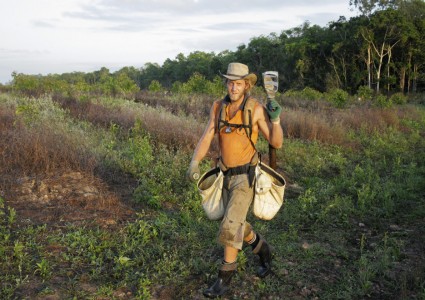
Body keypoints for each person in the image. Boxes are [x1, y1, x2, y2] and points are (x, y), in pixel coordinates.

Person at [187, 62, 283, 298]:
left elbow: (276, 142)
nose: (233, 87)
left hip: (245, 178)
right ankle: (262, 249)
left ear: (246, 85)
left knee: (230, 226)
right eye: (230, 82)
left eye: (238, 83)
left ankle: (223, 278)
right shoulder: (218, 107)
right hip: (224, 175)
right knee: (238, 223)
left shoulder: (255, 109)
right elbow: (208, 133)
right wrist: (194, 161)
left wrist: (277, 119)